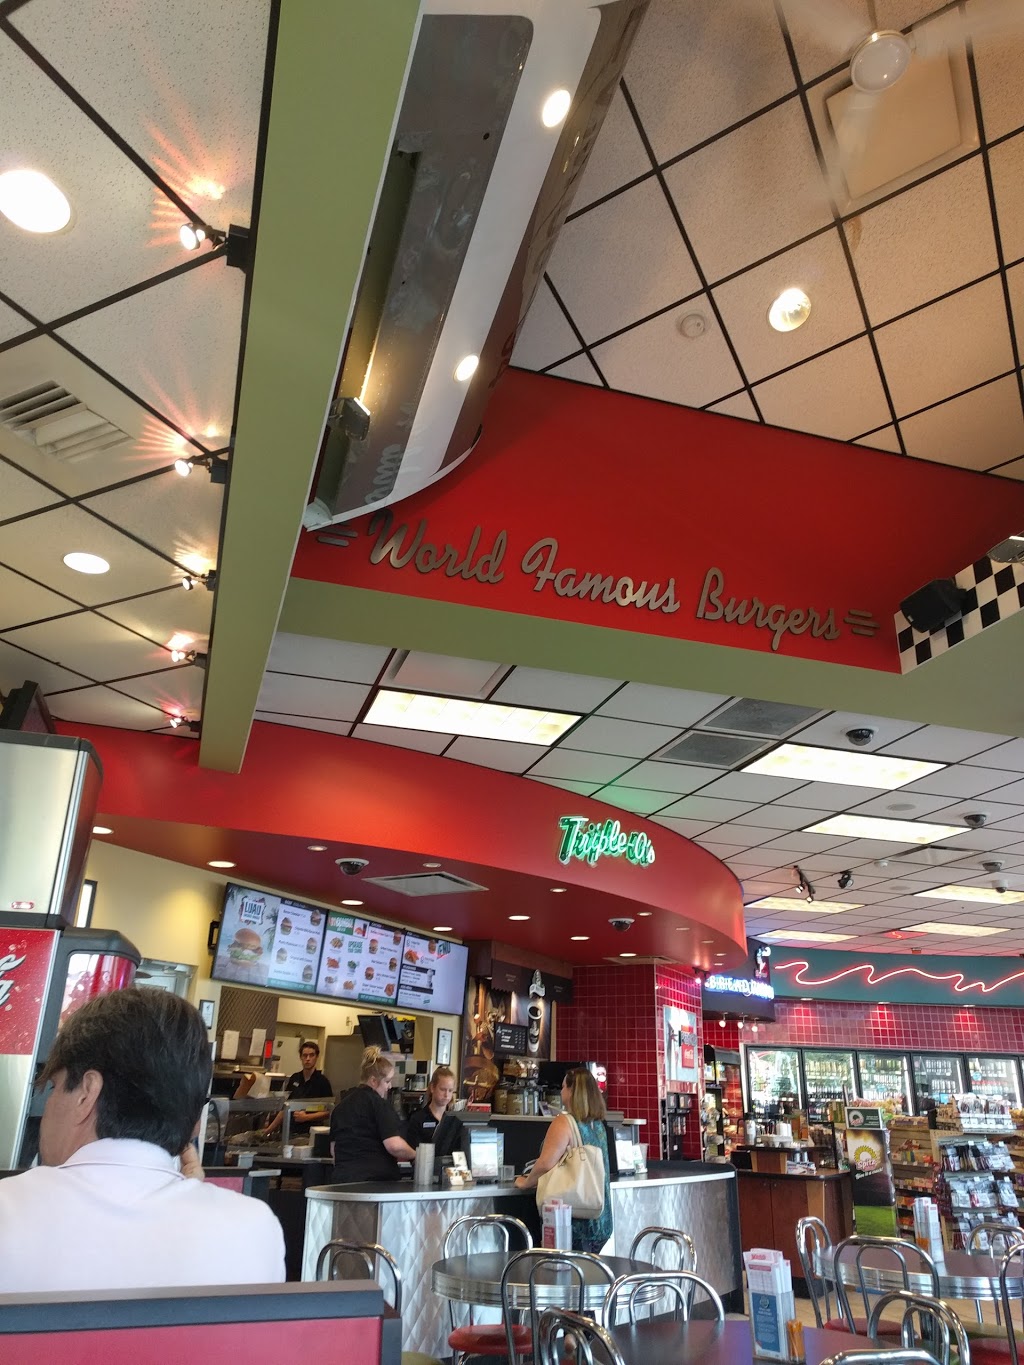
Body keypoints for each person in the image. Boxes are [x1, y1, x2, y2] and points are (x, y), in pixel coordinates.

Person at [0, 987, 285, 1292]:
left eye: (53, 1087)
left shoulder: (8, 1212)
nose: (47, 1107)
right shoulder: (253, 1228)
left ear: (87, 1092)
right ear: (195, 1123)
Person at [514, 1067, 612, 1253]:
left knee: (564, 1270)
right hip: (601, 1220)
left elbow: (545, 1163)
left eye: (564, 1087)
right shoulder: (598, 1125)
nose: (561, 1092)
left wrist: (526, 1182)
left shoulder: (564, 1122)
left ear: (572, 1091)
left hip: (572, 1223)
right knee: (588, 1269)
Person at [329, 1046, 416, 1181]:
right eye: (387, 1081)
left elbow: (334, 1150)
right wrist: (416, 1155)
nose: (389, 1087)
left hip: (342, 1181)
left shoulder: (340, 1107)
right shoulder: (379, 1105)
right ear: (373, 1081)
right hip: (374, 1182)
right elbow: (394, 1145)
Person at [260, 1040, 333, 1140]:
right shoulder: (294, 1078)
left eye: (311, 1055)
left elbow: (328, 1112)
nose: (308, 1059)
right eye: (305, 1055)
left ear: (317, 1057)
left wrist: (306, 1117)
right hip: (289, 1133)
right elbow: (285, 1107)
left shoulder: (322, 1081)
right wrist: (268, 1130)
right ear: (301, 1057)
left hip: (310, 1135)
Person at [404, 1065, 469, 1174]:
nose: (446, 1095)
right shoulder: (417, 1118)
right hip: (424, 1173)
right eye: (443, 1089)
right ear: (432, 1088)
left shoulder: (456, 1120)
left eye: (450, 1090)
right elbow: (412, 1154)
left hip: (452, 1174)